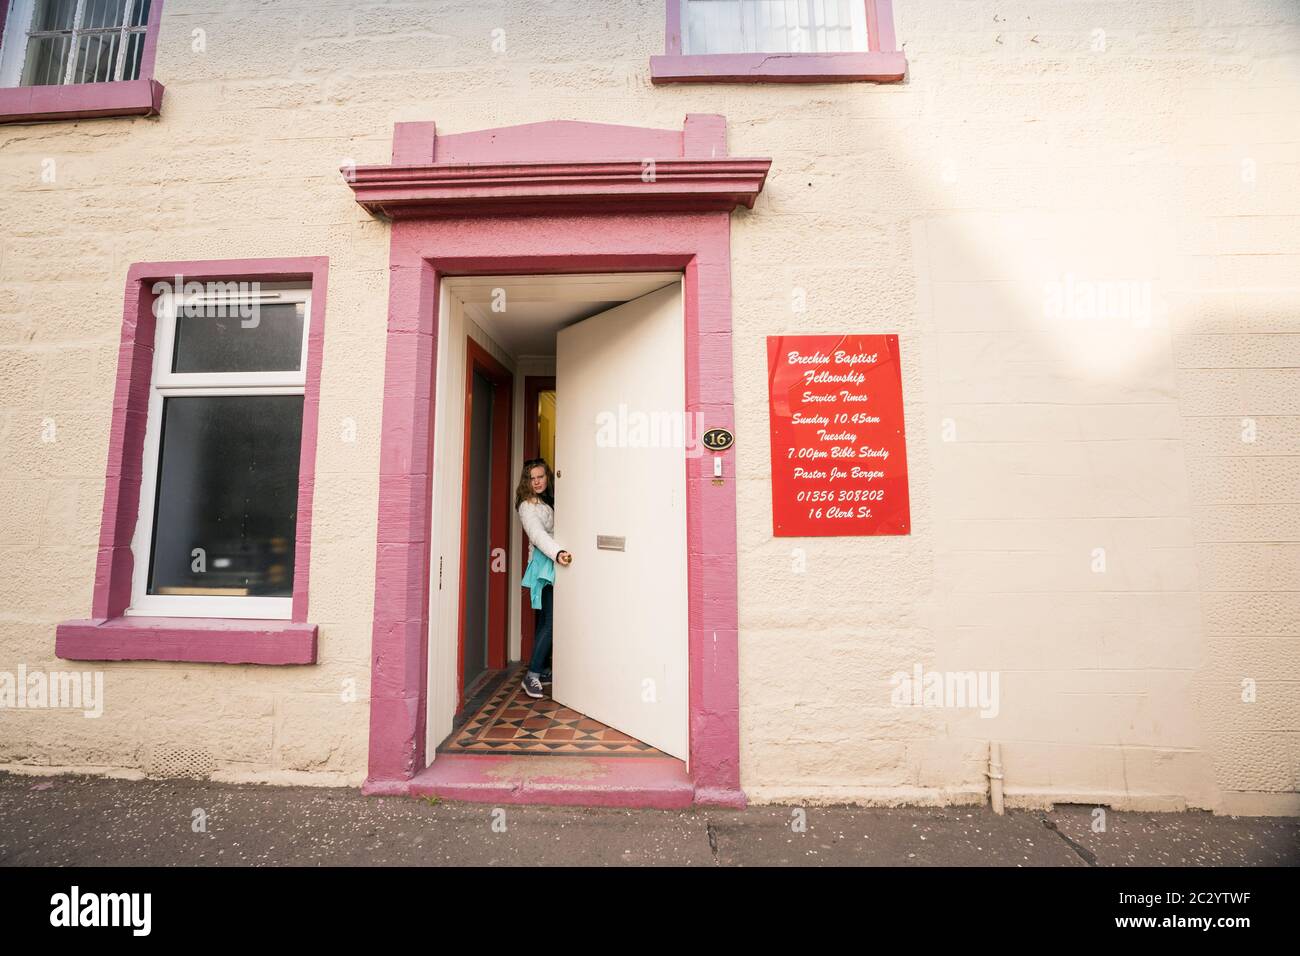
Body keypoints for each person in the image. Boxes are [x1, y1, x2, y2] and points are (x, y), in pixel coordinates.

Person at [516, 458, 572, 699]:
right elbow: (538, 535)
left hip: (553, 562)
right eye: (532, 478)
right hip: (545, 564)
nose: (537, 481)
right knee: (551, 621)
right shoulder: (527, 506)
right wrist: (558, 553)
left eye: (541, 476)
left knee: (544, 622)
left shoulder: (547, 500)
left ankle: (541, 669)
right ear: (526, 481)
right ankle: (533, 675)